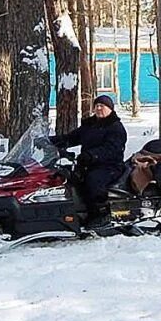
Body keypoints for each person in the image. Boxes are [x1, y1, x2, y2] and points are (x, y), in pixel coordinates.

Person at [51, 94, 127, 225]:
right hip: (88, 163)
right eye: (96, 106)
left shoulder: (116, 127)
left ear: (110, 109)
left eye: (102, 106)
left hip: (110, 166)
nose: (98, 108)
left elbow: (111, 149)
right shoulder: (90, 125)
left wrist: (92, 155)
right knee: (69, 178)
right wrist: (51, 141)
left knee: (93, 181)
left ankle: (101, 214)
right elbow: (72, 137)